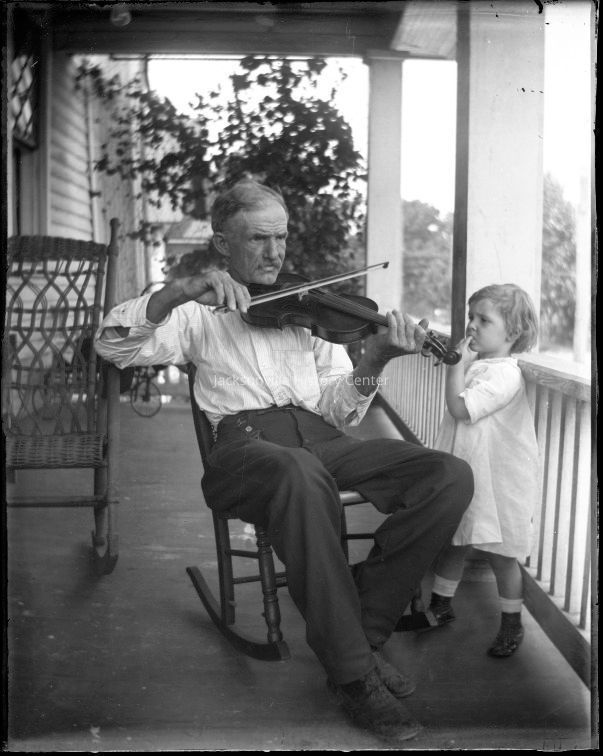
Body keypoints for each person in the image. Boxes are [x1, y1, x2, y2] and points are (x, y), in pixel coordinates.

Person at [94, 179, 473, 743]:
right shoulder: (196, 310)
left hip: (320, 439)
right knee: (300, 472)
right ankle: (354, 676)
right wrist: (176, 292)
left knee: (447, 475)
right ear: (222, 244)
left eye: (282, 237)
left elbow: (338, 412)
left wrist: (374, 359)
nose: (275, 253)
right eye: (259, 239)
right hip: (246, 448)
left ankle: (359, 633)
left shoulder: (308, 309)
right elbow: (112, 345)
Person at [407, 283, 539, 658]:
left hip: (496, 482)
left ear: (512, 332)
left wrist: (455, 367)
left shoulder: (504, 375)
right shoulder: (484, 366)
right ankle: (441, 605)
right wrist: (459, 364)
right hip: (470, 473)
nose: (472, 326)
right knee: (454, 541)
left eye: (484, 320)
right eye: (471, 317)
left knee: (501, 555)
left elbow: (460, 409)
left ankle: (512, 622)